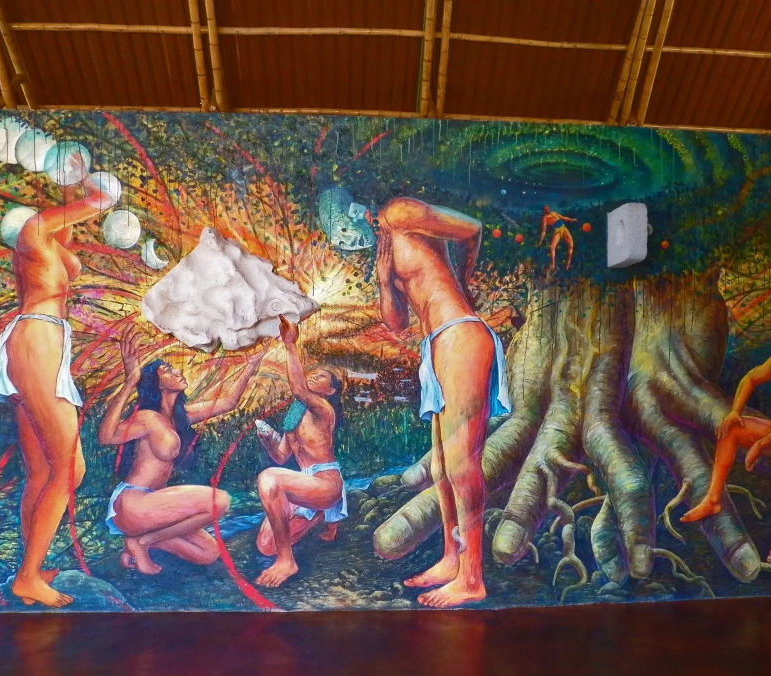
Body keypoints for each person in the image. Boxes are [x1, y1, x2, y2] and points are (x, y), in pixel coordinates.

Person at [319, 188, 511, 608]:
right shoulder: (385, 248)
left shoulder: (399, 212)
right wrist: (383, 278)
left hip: (460, 334)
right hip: (435, 346)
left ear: (355, 212)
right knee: (441, 466)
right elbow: (396, 323)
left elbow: (472, 228)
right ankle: (451, 558)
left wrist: (465, 282)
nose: (347, 240)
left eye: (344, 229)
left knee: (462, 464)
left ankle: (472, 577)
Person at [0, 163, 117, 607]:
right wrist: (88, 183)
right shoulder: (34, 237)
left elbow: (69, 250)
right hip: (37, 343)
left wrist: (70, 198)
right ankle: (27, 577)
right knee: (70, 469)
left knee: (40, 470)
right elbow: (99, 201)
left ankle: (31, 568)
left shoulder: (43, 252)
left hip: (38, 344)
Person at [98, 331, 268, 575]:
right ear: (156, 384)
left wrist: (251, 365)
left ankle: (139, 541)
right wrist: (130, 382)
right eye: (167, 370)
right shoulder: (147, 418)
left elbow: (228, 403)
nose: (177, 371)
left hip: (154, 506)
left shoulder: (179, 416)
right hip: (133, 504)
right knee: (220, 500)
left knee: (208, 553)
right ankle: (143, 542)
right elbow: (106, 437)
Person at [681, 304, 771, 564]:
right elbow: (749, 378)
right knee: (732, 427)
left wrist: (762, 443)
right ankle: (713, 499)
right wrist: (734, 411)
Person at [253, 317, 345, 587]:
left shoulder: (324, 409)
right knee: (265, 546)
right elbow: (281, 457)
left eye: (321, 376)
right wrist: (267, 439)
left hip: (325, 484)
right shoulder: (295, 414)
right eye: (312, 373)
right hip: (304, 485)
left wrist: (290, 344)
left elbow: (298, 389)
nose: (313, 375)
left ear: (330, 390)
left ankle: (287, 561)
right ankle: (318, 515)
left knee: (269, 477)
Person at [537, 205, 577, 271]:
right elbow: (543, 231)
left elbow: (563, 217)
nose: (547, 209)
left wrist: (572, 219)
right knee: (552, 247)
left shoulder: (554, 213)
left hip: (564, 229)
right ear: (543, 210)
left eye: (547, 208)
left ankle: (568, 264)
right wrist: (540, 242)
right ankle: (553, 264)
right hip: (557, 231)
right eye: (545, 208)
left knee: (571, 245)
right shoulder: (544, 218)